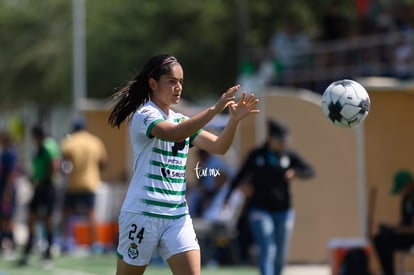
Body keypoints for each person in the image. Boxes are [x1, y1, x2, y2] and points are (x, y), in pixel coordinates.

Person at [107, 54, 259, 275]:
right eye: (171, 81)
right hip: (143, 213)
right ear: (153, 83)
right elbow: (174, 133)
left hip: (177, 215)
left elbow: (219, 146)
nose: (178, 87)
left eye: (180, 82)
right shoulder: (145, 114)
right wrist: (215, 109)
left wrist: (233, 120)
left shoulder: (180, 120)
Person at [224, 119, 315, 275]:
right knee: (267, 247)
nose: (283, 144)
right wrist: (229, 196)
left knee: (280, 253)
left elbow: (310, 171)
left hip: (284, 211)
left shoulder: (289, 156)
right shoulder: (256, 155)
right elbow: (239, 177)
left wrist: (296, 173)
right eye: (280, 140)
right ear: (271, 138)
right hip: (259, 210)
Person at [60, 119, 108, 253]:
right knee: (91, 213)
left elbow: (64, 164)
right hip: (90, 183)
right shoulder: (95, 141)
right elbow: (103, 162)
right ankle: (95, 244)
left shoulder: (69, 142)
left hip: (74, 183)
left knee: (67, 213)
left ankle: (65, 240)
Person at [18, 125, 61, 267]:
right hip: (39, 188)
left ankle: (48, 251)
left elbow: (53, 167)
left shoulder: (49, 147)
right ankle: (28, 249)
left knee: (47, 219)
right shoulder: (39, 147)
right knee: (31, 218)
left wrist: (41, 182)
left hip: (47, 188)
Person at [372, 170, 414, 275]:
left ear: (408, 185)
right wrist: (389, 227)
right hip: (407, 236)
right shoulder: (406, 199)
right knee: (380, 238)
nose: (400, 193)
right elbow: (404, 223)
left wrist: (392, 230)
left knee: (384, 239)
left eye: (401, 189)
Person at [0, 131, 19, 255]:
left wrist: (7, 192)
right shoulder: (4, 153)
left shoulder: (10, 154)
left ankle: (11, 242)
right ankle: (4, 242)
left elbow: (11, 174)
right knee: (2, 217)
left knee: (8, 217)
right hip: (2, 189)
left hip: (7, 190)